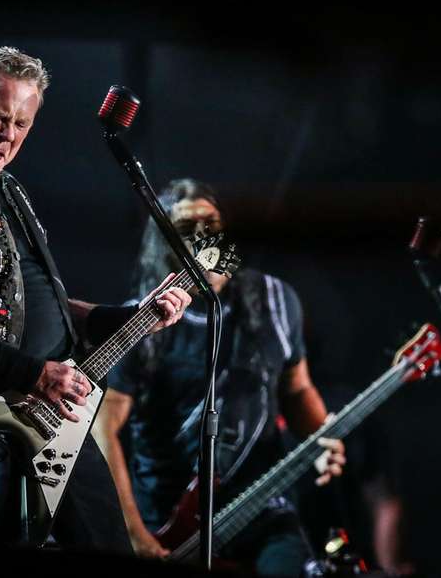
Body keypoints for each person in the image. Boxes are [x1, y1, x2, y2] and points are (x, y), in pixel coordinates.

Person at [0, 47, 191, 550]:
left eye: (21, 123)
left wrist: (130, 317)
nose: (8, 135)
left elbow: (35, 305)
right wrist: (35, 374)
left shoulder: (6, 192)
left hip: (54, 415)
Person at [93, 178, 345, 575]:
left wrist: (319, 439)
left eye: (211, 225)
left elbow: (296, 389)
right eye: (185, 230)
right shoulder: (138, 320)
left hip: (260, 504)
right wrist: (133, 531)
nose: (202, 238)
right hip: (167, 519)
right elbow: (103, 427)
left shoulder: (277, 300)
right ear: (164, 243)